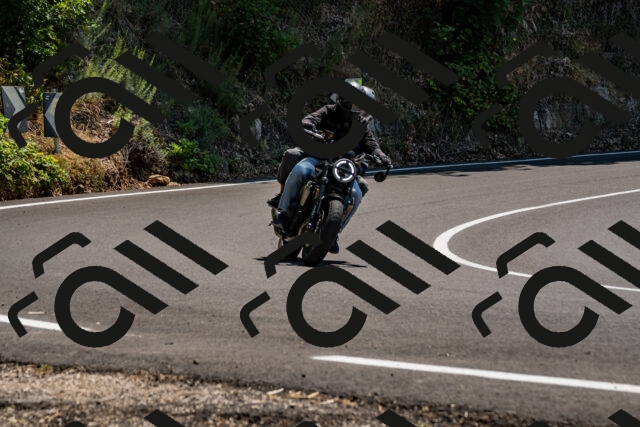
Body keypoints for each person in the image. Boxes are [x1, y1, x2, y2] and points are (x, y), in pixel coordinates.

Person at [270, 80, 392, 254]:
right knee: (299, 171)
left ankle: (334, 232)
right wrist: (308, 125)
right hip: (318, 158)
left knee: (357, 194)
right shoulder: (328, 111)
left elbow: (371, 144)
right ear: (341, 100)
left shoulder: (360, 123)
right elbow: (310, 119)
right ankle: (283, 211)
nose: (354, 107)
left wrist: (380, 155)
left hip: (342, 168)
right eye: (350, 103)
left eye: (357, 104)